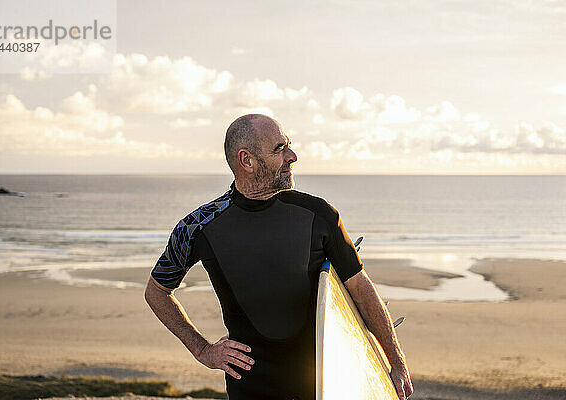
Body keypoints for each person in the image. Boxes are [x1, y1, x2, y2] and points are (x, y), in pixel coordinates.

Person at [144, 114, 413, 400]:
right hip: (250, 386)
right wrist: (203, 350)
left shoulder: (319, 215)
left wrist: (396, 362)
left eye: (288, 146)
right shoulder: (198, 227)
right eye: (279, 149)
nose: (292, 156)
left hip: (324, 380)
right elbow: (157, 292)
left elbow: (361, 288)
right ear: (246, 161)